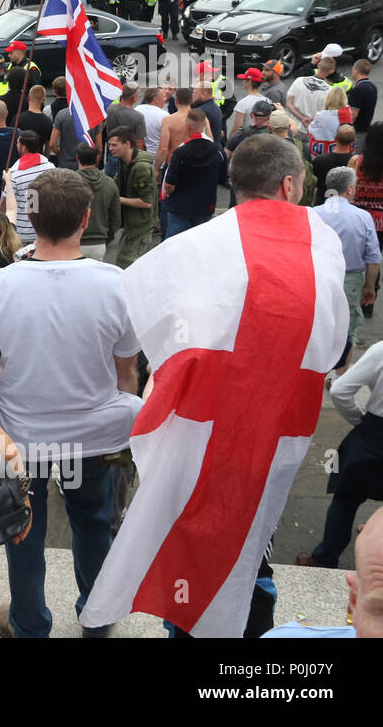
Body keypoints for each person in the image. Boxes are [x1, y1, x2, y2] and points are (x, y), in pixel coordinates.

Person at [80, 135, 350, 638]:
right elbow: (331, 348)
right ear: (289, 185)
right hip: (271, 435)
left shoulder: (190, 250)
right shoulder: (320, 248)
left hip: (199, 433)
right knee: (251, 541)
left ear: (234, 182)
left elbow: (143, 325)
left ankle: (181, 624)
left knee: (189, 533)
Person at [0, 169, 143, 638]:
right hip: (95, 436)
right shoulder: (116, 283)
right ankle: (97, 615)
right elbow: (127, 373)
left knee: (22, 531)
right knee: (94, 524)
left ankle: (30, 623)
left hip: (21, 440)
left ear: (30, 218)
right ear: (86, 219)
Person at [298, 357, 383, 575]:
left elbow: (339, 390)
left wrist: (359, 420)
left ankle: (325, 559)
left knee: (345, 499)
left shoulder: (381, 350)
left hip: (374, 434)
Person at [314, 166, 381, 376]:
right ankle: (339, 378)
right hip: (351, 281)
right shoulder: (362, 217)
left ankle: (317, 372)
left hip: (318, 277)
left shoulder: (313, 214)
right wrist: (370, 286)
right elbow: (373, 259)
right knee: (346, 331)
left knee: (319, 326)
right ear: (350, 189)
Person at [160, 108, 226, 239]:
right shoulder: (218, 152)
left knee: (175, 246)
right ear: (204, 125)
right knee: (201, 245)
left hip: (180, 208)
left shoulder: (179, 153)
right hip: (205, 206)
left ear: (188, 126)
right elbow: (222, 178)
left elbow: (169, 186)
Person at [109, 126, 157, 268]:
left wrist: (117, 200)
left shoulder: (140, 168)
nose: (110, 149)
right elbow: (115, 184)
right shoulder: (124, 162)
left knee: (126, 266)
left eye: (114, 145)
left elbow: (146, 203)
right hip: (131, 225)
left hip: (140, 227)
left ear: (127, 144)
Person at [4, 130, 53, 244]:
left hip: (22, 234)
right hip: (44, 232)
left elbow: (6, 203)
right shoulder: (51, 168)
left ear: (23, 147)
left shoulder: (14, 174)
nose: (16, 145)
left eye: (17, 143)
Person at [75, 143, 120, 261]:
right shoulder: (110, 183)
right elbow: (115, 219)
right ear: (97, 158)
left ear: (77, 158)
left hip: (73, 241)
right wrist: (106, 239)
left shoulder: (69, 182)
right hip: (99, 244)